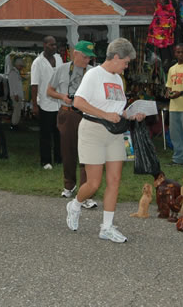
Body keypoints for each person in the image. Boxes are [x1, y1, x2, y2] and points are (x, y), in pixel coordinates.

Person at [66, 38, 145, 243]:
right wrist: (104, 114)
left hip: (115, 133)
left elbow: (116, 110)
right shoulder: (93, 74)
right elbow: (78, 102)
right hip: (93, 131)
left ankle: (106, 227)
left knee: (115, 180)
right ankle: (75, 205)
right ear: (116, 57)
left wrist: (132, 114)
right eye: (126, 62)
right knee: (93, 183)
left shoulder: (118, 79)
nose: (127, 66)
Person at [46, 40, 97, 209]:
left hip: (86, 115)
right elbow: (49, 91)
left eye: (90, 57)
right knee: (68, 152)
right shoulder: (61, 69)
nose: (87, 60)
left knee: (86, 154)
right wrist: (62, 97)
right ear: (75, 53)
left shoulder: (92, 72)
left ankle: (86, 192)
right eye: (84, 56)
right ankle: (69, 185)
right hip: (67, 114)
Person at [31, 36, 63, 169]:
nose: (54, 47)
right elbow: (34, 85)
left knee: (59, 133)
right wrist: (34, 105)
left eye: (55, 45)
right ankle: (46, 161)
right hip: (45, 103)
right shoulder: (37, 63)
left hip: (59, 103)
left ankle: (59, 159)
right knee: (45, 135)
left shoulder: (59, 58)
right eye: (51, 45)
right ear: (44, 45)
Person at [8, 57, 25, 129]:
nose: (21, 67)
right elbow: (13, 84)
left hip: (17, 95)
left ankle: (16, 123)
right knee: (16, 110)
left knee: (18, 110)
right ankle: (14, 124)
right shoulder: (13, 73)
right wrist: (15, 94)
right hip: (16, 95)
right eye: (20, 66)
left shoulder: (16, 73)